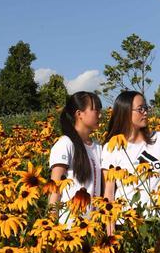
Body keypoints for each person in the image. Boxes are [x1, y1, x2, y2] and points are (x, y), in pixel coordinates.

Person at [48, 92, 115, 229]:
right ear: (79, 114)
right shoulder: (65, 144)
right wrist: (51, 228)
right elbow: (55, 190)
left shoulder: (97, 147)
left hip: (93, 227)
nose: (100, 115)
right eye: (95, 110)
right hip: (69, 228)